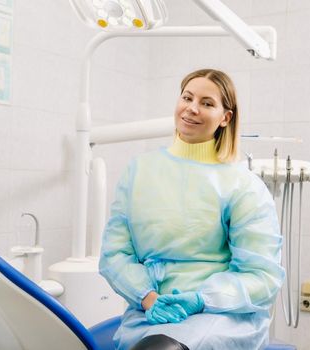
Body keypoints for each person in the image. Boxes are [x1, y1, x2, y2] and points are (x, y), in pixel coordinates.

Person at [99, 69, 284, 350]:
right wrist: (147, 297)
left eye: (207, 103)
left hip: (220, 315)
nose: (192, 109)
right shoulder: (139, 171)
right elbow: (115, 254)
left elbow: (262, 276)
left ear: (225, 117)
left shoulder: (243, 186)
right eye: (187, 97)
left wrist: (201, 299)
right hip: (151, 310)